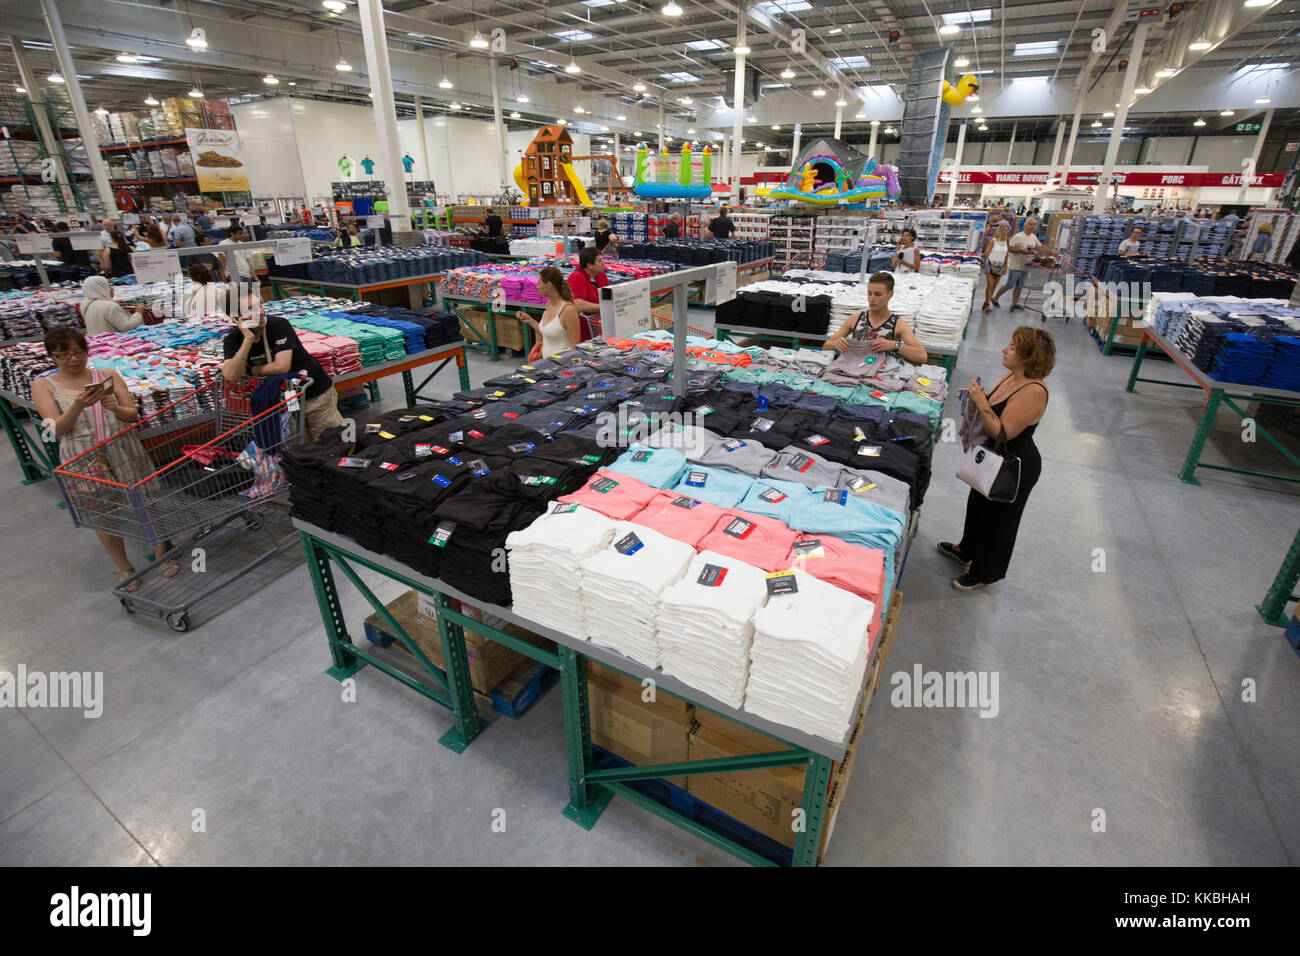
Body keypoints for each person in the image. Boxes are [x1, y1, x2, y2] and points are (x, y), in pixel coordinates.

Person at [30, 326, 178, 588]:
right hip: (82, 455)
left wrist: (115, 406)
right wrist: (77, 405)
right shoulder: (44, 386)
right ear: (52, 357)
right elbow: (56, 429)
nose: (73, 359)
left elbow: (132, 414)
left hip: (122, 447)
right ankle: (124, 567)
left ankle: (163, 556)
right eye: (64, 355)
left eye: (78, 352)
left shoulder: (107, 374)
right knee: (102, 514)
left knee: (147, 503)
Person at [940, 325, 1056, 591]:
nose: (1005, 349)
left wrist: (980, 401)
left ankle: (984, 572)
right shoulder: (1012, 376)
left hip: (1014, 464)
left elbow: (1002, 432)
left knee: (999, 520)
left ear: (1029, 356)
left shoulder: (1034, 390)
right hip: (993, 455)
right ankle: (965, 549)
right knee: (978, 503)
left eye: (1013, 347)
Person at [220, 295, 341, 442]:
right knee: (300, 450)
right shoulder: (233, 340)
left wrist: (250, 370)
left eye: (260, 305)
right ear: (236, 318)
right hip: (284, 406)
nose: (261, 312)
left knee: (332, 443)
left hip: (314, 394)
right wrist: (248, 340)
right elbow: (230, 374)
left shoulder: (279, 325)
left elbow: (281, 366)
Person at [824, 271, 927, 363]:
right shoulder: (855, 319)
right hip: (852, 371)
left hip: (880, 377)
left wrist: (895, 345)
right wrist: (836, 344)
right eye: (869, 294)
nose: (872, 299)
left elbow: (922, 356)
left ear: (890, 294)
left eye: (877, 294)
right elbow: (826, 346)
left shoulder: (898, 325)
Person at [517, 266, 580, 356]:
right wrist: (530, 320)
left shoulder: (569, 310)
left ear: (549, 285)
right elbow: (548, 331)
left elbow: (575, 346)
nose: (537, 287)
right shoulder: (549, 304)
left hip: (561, 364)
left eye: (539, 283)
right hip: (547, 363)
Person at [992, 217, 1043, 311]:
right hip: (1015, 265)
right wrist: (1021, 251)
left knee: (1020, 285)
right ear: (1025, 225)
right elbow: (1009, 248)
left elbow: (1040, 247)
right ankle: (995, 298)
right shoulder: (1018, 236)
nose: (1032, 226)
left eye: (1033, 225)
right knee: (1009, 284)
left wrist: (1052, 252)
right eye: (1030, 224)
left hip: (1026, 265)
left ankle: (1014, 303)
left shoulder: (1033, 237)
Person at [567, 246, 610, 340]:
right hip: (584, 330)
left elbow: (608, 293)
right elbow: (579, 305)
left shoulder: (600, 274)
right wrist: (605, 307)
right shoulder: (576, 277)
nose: (603, 263)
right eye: (599, 261)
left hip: (600, 326)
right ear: (589, 265)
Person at [79, 276, 148, 334]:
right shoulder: (109, 306)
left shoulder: (85, 304)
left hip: (97, 342)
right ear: (101, 289)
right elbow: (128, 327)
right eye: (109, 286)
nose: (113, 289)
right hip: (114, 343)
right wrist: (138, 313)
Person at [980, 221, 1010, 313]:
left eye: (1007, 230)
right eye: (1005, 230)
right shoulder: (993, 241)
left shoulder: (1006, 242)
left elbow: (1006, 254)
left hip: (1000, 266)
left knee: (994, 286)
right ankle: (988, 304)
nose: (1006, 232)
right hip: (990, 264)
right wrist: (983, 257)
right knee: (990, 285)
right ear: (1000, 230)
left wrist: (1005, 266)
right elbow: (987, 251)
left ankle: (986, 302)